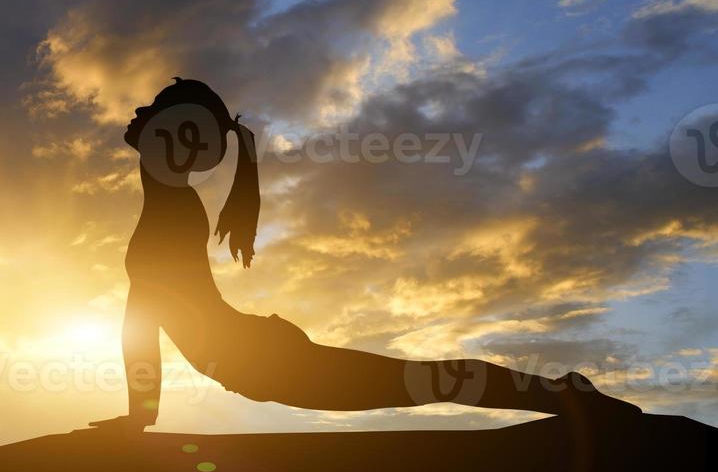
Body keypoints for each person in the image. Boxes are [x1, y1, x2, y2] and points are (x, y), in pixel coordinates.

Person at [91, 77, 639, 433]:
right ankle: (561, 393)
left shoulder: (173, 214)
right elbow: (146, 318)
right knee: (417, 382)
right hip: (252, 357)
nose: (145, 118)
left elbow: (143, 320)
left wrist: (141, 415)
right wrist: (142, 412)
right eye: (171, 127)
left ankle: (564, 395)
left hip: (256, 360)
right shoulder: (168, 208)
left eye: (184, 133)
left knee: (420, 382)